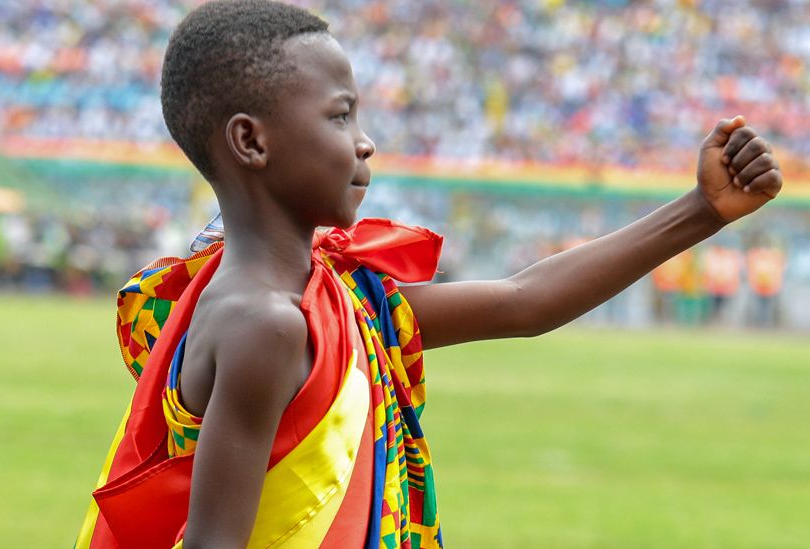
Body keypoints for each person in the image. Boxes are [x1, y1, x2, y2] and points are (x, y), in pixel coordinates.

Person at [75, 2, 783, 548]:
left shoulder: (335, 295)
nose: (365, 139)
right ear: (251, 141)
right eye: (340, 113)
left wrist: (702, 211)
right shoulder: (263, 322)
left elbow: (522, 301)